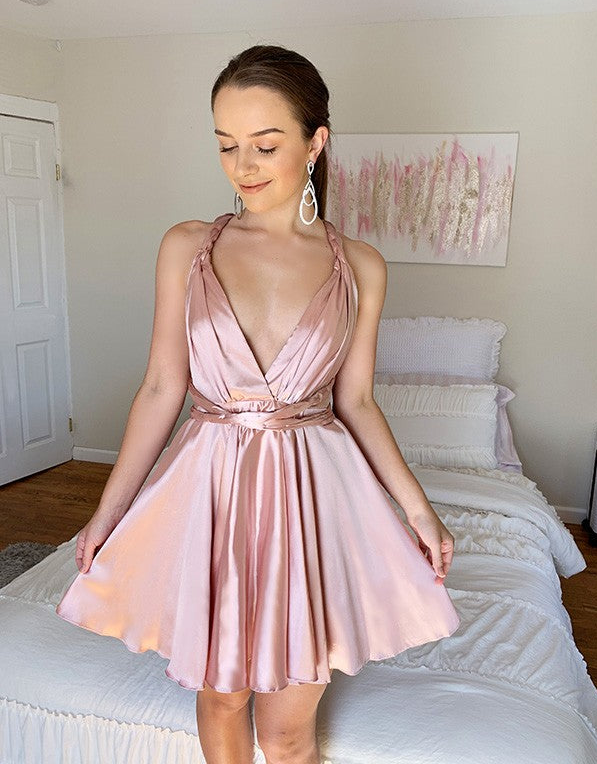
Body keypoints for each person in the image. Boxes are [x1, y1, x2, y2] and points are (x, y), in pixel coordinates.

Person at [55, 44, 460, 764]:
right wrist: (107, 512)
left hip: (312, 498)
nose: (243, 166)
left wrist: (418, 510)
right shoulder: (186, 246)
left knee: (287, 732)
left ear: (315, 142)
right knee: (221, 698)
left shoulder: (361, 266)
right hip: (209, 490)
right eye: (226, 145)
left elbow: (357, 402)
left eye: (265, 145)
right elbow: (161, 387)